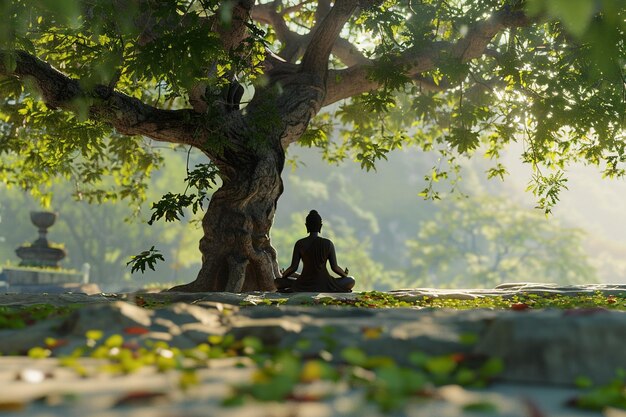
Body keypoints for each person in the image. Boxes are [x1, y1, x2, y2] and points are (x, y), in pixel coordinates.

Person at [276, 210, 355, 293]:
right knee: (351, 281)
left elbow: (293, 267)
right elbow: (335, 267)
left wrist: (284, 275)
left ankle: (298, 280)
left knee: (277, 282)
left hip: (303, 284)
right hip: (325, 283)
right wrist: (344, 275)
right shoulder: (328, 243)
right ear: (320, 226)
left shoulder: (300, 243)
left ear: (307, 226)